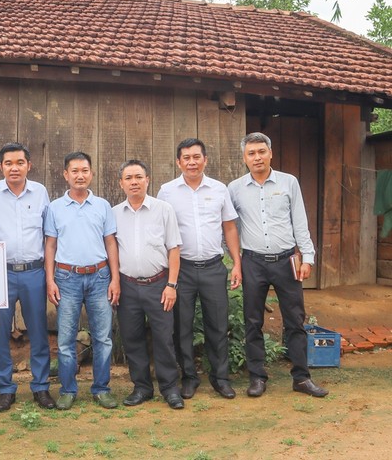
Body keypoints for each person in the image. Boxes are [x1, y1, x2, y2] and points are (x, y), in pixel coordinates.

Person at [228, 132, 328, 398]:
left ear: (270, 153)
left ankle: (301, 377)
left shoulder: (288, 182)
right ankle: (258, 377)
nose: (257, 157)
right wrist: (236, 262)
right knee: (252, 321)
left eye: (261, 151)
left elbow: (300, 221)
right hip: (253, 262)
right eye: (251, 153)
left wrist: (307, 257)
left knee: (295, 320)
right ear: (244, 158)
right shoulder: (235, 188)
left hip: (287, 261)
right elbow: (230, 228)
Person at [157, 138, 241, 400]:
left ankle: (220, 378)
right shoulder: (167, 191)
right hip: (181, 271)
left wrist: (236, 263)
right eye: (186, 158)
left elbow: (229, 227)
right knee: (181, 327)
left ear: (205, 159)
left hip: (214, 268)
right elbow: (160, 230)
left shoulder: (219, 189)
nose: (191, 162)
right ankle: (190, 378)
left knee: (217, 325)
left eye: (196, 157)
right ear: (178, 162)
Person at [0, 142, 55, 412]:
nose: (14, 168)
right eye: (8, 163)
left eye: (20, 162)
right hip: (1, 273)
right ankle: (5, 389)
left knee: (38, 331)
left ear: (28, 165)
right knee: (0, 333)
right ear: (1, 166)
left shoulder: (40, 192)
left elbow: (49, 235)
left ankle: (41, 387)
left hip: (34, 271)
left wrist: (49, 274)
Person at [44, 152, 120, 410]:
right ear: (66, 175)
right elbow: (50, 245)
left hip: (100, 277)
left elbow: (110, 242)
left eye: (84, 170)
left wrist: (115, 279)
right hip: (66, 278)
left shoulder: (103, 206)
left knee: (103, 337)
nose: (80, 175)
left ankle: (102, 388)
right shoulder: (54, 208)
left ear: (91, 173)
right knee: (65, 339)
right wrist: (50, 280)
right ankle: (67, 390)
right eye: (74, 170)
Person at [113, 160, 185, 410]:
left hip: (159, 285)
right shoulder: (114, 214)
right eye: (128, 178)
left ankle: (169, 388)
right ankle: (142, 387)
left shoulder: (163, 209)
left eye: (138, 177)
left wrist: (171, 285)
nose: (134, 182)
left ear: (147, 180)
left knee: (164, 338)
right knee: (132, 339)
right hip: (127, 286)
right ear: (121, 183)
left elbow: (174, 248)